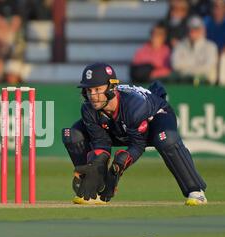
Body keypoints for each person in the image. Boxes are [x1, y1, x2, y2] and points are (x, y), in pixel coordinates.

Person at [62, 62, 207, 206]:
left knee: (166, 139)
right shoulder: (88, 109)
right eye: (89, 90)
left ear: (111, 87)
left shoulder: (134, 106)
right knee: (72, 134)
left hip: (155, 119)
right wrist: (96, 165)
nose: (93, 95)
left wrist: (119, 166)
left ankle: (196, 191)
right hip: (120, 127)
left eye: (97, 89)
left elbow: (138, 145)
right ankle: (95, 189)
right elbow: (101, 142)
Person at [171, 16, 218, 85]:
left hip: (206, 85)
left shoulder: (211, 46)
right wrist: (196, 67)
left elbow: (208, 68)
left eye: (196, 29)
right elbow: (176, 65)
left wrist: (186, 69)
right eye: (191, 28)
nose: (193, 31)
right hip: (184, 83)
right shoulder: (179, 46)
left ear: (203, 30)